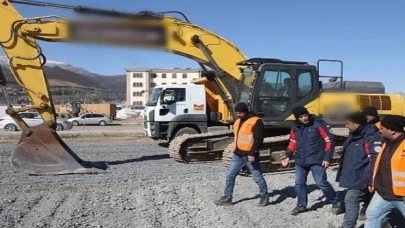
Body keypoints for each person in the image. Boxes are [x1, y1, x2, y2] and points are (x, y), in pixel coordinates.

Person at [281, 106, 343, 215]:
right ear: (297, 118)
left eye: (305, 115)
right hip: (301, 160)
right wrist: (288, 154)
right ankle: (301, 205)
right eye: (301, 117)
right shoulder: (295, 126)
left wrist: (327, 158)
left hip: (317, 160)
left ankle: (336, 201)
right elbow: (293, 142)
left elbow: (329, 141)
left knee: (321, 183)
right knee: (299, 184)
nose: (304, 118)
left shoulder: (319, 123)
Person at [334, 111, 383, 228]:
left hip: (362, 176)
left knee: (351, 198)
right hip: (356, 175)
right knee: (371, 200)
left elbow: (374, 159)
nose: (346, 126)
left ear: (357, 124)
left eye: (348, 123)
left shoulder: (371, 137)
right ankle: (383, 222)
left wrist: (368, 179)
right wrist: (342, 166)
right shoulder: (354, 134)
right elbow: (353, 154)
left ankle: (348, 225)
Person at [215, 102, 269, 207]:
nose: (238, 115)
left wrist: (253, 153)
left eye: (240, 113)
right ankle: (228, 197)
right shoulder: (237, 122)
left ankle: (264, 196)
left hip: (249, 155)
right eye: (237, 113)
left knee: (257, 177)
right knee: (230, 176)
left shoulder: (256, 121)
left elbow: (258, 139)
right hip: (238, 154)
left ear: (245, 112)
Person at [365, 114, 405, 227]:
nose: (380, 130)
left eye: (382, 128)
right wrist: (372, 182)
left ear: (392, 130)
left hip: (401, 195)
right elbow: (380, 165)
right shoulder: (386, 143)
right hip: (383, 192)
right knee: (372, 216)